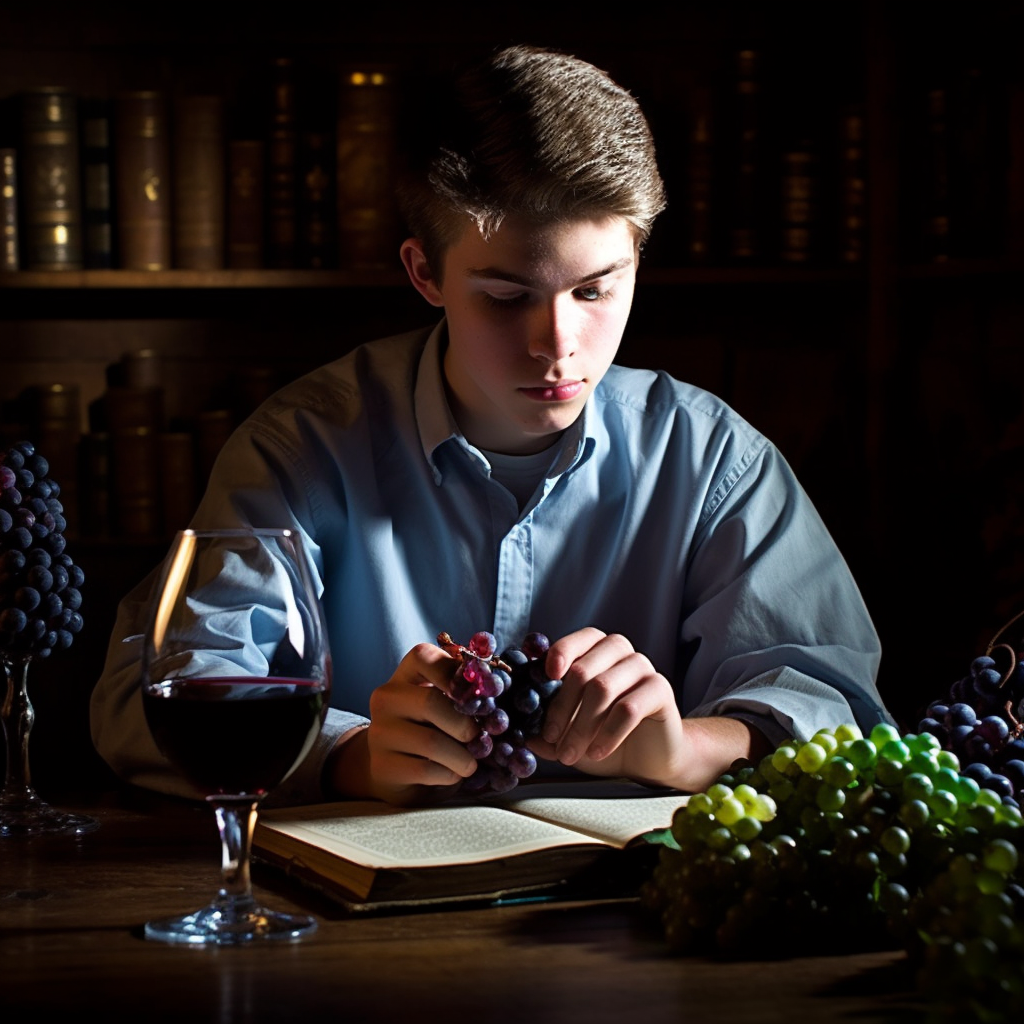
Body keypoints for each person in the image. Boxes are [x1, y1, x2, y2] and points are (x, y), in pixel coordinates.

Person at [90, 44, 892, 807]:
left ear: (638, 258)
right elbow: (145, 699)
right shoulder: (301, 446)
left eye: (595, 290)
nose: (556, 346)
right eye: (507, 297)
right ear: (424, 273)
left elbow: (843, 713)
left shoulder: (713, 458)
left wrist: (684, 749)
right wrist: (347, 756)